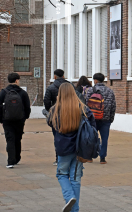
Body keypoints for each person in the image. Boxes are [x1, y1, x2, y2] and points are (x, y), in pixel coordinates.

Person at [47, 83, 96, 212]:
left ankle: (69, 196)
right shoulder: (83, 108)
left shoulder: (55, 109)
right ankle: (74, 209)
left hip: (63, 148)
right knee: (75, 178)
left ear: (60, 94)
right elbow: (92, 125)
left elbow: (50, 123)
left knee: (62, 174)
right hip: (80, 148)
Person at [44, 69, 76, 165]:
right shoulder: (70, 86)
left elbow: (46, 101)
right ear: (63, 75)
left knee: (57, 137)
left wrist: (51, 110)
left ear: (55, 76)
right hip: (71, 114)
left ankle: (59, 158)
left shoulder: (51, 87)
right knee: (72, 135)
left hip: (57, 116)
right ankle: (71, 156)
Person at [0, 73, 31, 168]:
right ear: (17, 80)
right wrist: (24, 117)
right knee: (18, 139)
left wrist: (1, 119)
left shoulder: (3, 92)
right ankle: (17, 157)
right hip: (19, 120)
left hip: (7, 120)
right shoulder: (22, 93)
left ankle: (10, 161)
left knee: (10, 139)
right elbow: (27, 107)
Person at [86, 73, 116, 164]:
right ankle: (102, 158)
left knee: (91, 137)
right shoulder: (109, 91)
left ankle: (90, 156)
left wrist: (87, 117)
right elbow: (113, 106)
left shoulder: (91, 90)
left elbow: (86, 104)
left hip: (93, 118)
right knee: (104, 138)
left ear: (95, 80)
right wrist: (111, 118)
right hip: (105, 119)